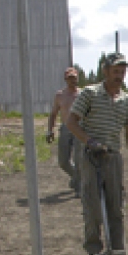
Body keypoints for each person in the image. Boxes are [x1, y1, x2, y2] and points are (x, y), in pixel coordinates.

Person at [66, 52, 128, 255]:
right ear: (105, 71)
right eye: (115, 71)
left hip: (113, 157)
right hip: (90, 156)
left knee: (116, 208)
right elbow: (71, 122)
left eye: (122, 72)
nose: (119, 76)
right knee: (93, 206)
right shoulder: (89, 94)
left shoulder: (126, 100)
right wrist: (89, 141)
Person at [46, 67, 82, 195]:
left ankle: (80, 185)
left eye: (74, 78)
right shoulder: (60, 95)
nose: (73, 80)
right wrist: (50, 130)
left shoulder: (82, 94)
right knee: (63, 161)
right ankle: (78, 178)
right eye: (70, 78)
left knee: (79, 159)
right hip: (66, 128)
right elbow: (53, 114)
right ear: (66, 79)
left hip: (80, 128)